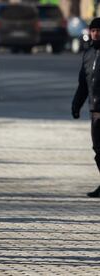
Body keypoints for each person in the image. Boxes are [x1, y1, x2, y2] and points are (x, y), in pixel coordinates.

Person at [72, 17, 100, 198]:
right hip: (95, 110)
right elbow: (84, 83)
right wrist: (77, 104)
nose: (96, 33)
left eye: (99, 30)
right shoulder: (88, 53)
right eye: (93, 30)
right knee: (98, 149)